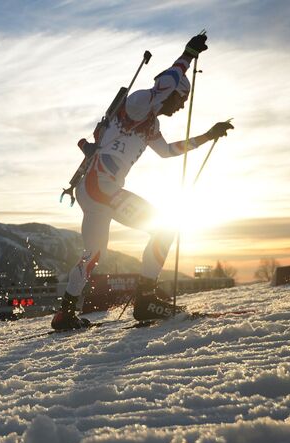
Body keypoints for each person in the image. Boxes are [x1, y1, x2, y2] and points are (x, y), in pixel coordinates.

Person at [52, 33, 234, 330]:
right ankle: (146, 298)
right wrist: (187, 56)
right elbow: (164, 81)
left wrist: (206, 136)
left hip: (94, 189)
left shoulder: (151, 123)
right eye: (180, 100)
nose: (180, 107)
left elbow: (167, 152)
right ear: (170, 93)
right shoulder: (141, 102)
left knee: (94, 252)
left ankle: (66, 312)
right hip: (102, 187)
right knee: (165, 227)